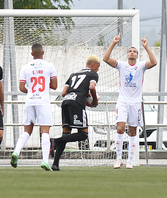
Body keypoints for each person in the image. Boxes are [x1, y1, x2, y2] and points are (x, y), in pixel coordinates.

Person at [103, 34, 157, 169]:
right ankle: (118, 159)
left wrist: (145, 47)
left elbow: (154, 62)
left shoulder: (141, 66)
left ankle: (130, 161)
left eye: (134, 51)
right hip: (122, 101)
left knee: (133, 131)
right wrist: (114, 42)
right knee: (120, 128)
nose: (132, 52)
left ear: (137, 55)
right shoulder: (121, 65)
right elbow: (105, 58)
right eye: (130, 51)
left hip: (136, 103)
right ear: (127, 55)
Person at [10, 44, 57, 171]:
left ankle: (16, 152)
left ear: (31, 54)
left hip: (30, 101)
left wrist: (31, 92)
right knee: (45, 131)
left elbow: (21, 87)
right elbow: (54, 85)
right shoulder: (49, 66)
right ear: (43, 52)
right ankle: (45, 161)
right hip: (43, 102)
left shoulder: (25, 68)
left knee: (27, 131)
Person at [51, 55, 100, 171]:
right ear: (92, 65)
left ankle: (55, 164)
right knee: (83, 134)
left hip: (66, 101)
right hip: (77, 103)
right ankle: (55, 141)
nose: (98, 69)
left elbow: (63, 93)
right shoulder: (93, 74)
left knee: (66, 134)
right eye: (98, 67)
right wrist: (94, 100)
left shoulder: (73, 74)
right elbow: (92, 87)